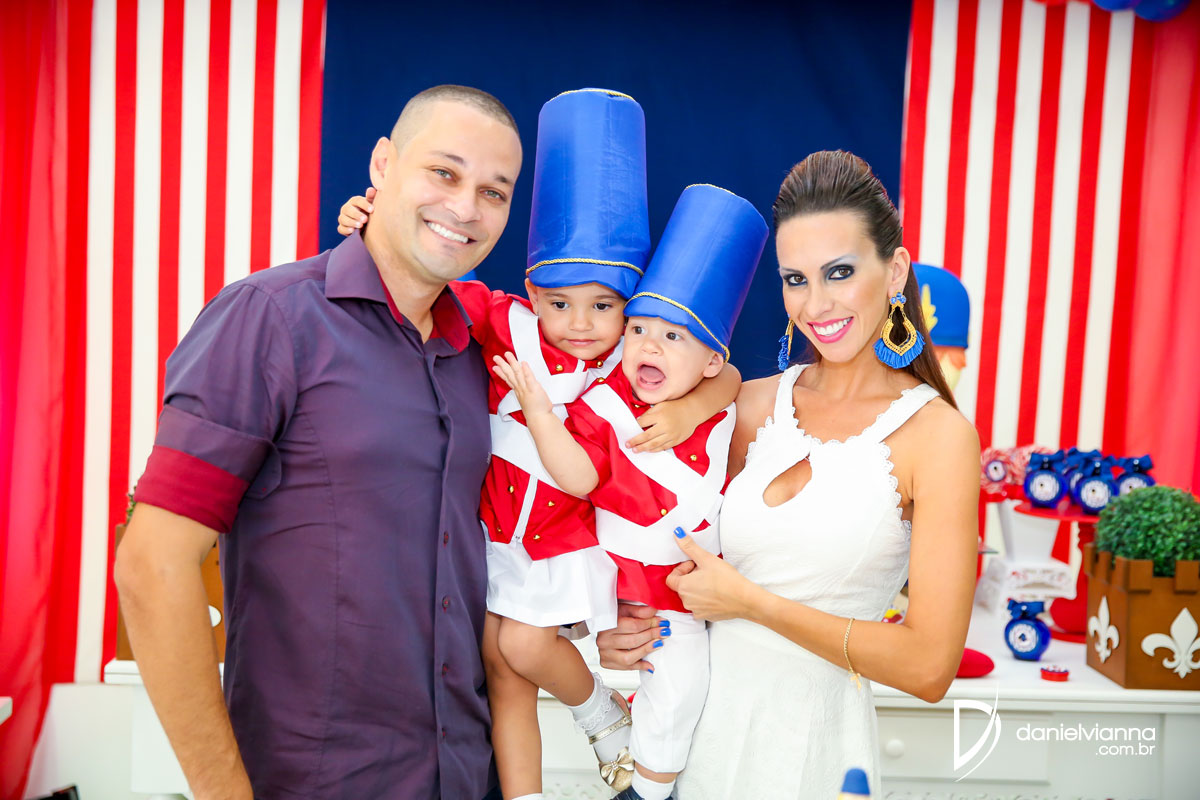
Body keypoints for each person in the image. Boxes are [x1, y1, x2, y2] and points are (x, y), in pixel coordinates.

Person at [114, 85, 523, 800]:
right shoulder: (268, 318)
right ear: (382, 164)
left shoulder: (480, 356)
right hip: (310, 779)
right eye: (444, 172)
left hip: (463, 776)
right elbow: (152, 566)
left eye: (494, 192)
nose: (466, 208)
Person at [335, 91, 738, 800]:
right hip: (491, 537)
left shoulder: (633, 363)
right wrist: (369, 223)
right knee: (503, 673)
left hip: (566, 543)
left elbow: (725, 373)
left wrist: (697, 403)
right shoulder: (502, 322)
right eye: (558, 303)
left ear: (633, 302)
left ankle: (600, 717)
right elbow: (413, 279)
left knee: (521, 647)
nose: (580, 324)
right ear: (530, 288)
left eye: (604, 305)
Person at [598, 151, 980, 797]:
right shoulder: (747, 405)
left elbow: (929, 668)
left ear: (895, 272)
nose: (816, 302)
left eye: (840, 272)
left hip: (814, 757)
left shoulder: (939, 438)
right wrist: (619, 632)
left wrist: (752, 605)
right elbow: (646, 533)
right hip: (691, 753)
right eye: (795, 279)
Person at [496, 184, 768, 800]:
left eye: (672, 336)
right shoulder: (609, 394)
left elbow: (728, 374)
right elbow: (581, 475)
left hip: (715, 596)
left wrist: (692, 408)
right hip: (620, 587)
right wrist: (538, 413)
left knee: (682, 702)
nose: (646, 344)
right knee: (660, 688)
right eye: (639, 328)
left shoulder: (717, 396)